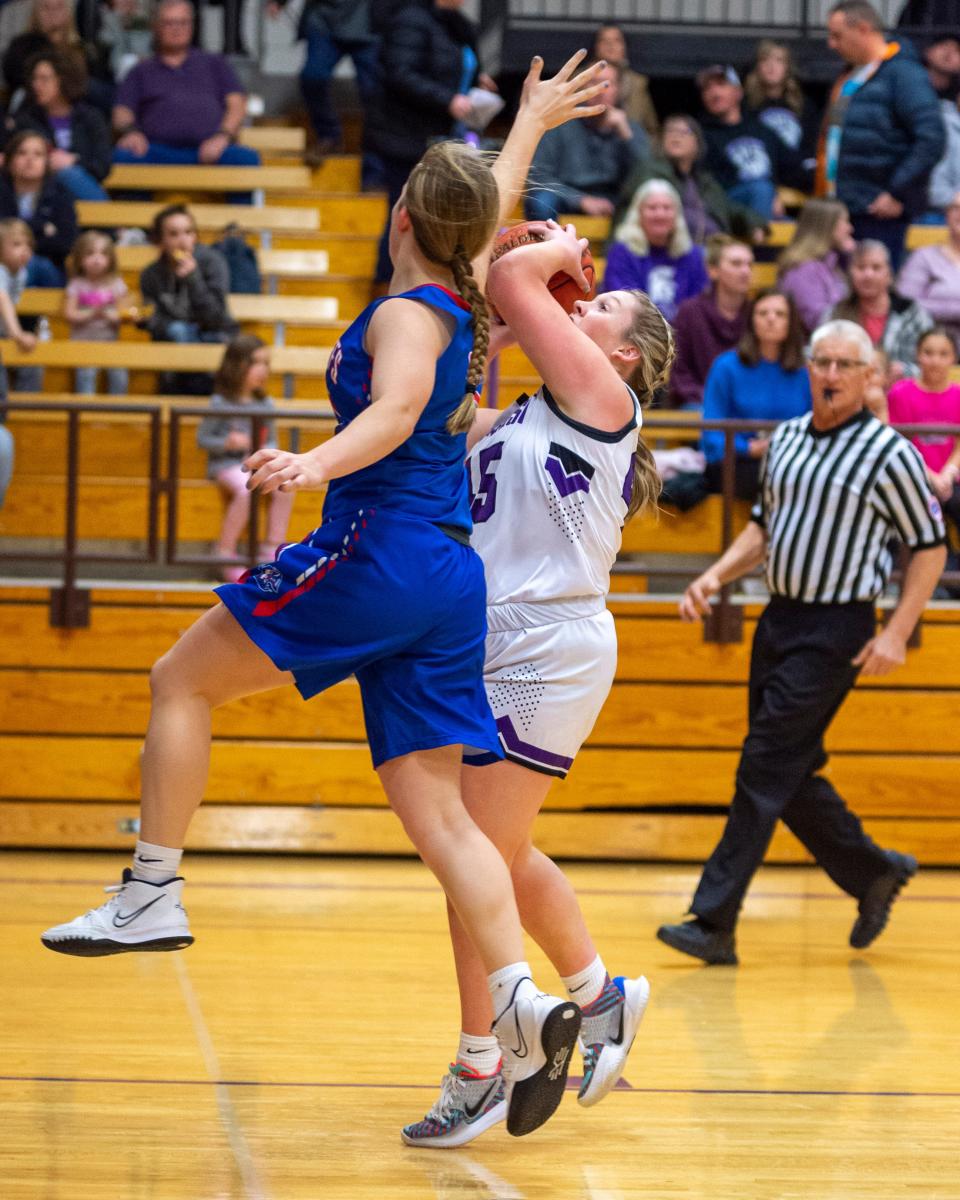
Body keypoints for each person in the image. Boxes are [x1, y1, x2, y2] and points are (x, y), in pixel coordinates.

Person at [40, 51, 609, 1142]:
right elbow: (484, 209)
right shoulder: (466, 291)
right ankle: (519, 1000)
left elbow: (393, 414)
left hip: (376, 547)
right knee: (441, 815)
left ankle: (151, 889)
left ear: (400, 212)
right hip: (449, 579)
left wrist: (312, 464)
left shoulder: (409, 316)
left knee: (178, 681)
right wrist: (529, 121)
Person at [401, 220, 671, 1148]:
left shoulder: (604, 396)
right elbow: (445, 398)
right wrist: (508, 321)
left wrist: (558, 246)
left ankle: (482, 1061)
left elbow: (511, 275)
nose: (578, 304)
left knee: (465, 861)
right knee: (494, 859)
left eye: (595, 307)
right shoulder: (522, 410)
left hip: (550, 646)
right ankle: (600, 998)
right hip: (485, 636)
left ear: (623, 352)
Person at [657, 317, 946, 965]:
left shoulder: (890, 454)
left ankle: (714, 919)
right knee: (789, 769)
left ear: (872, 377)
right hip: (779, 619)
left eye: (847, 365)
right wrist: (713, 575)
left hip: (837, 628)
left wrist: (897, 632)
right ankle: (872, 870)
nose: (833, 375)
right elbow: (763, 529)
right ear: (809, 369)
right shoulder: (784, 440)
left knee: (763, 762)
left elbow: (929, 548)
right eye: (823, 363)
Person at [366, 0, 498, 285]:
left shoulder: (457, 23)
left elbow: (457, 66)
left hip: (445, 135)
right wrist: (447, 99)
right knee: (405, 213)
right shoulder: (410, 18)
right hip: (407, 137)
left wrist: (477, 80)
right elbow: (400, 73)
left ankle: (432, 286)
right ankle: (387, 289)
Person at [819, 0, 944, 268]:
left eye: (837, 35)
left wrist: (897, 191)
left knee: (873, 293)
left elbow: (932, 138)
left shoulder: (904, 74)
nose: (831, 43)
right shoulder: (851, 76)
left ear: (863, 29)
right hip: (842, 206)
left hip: (878, 209)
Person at [111, 0, 260, 169]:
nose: (177, 29)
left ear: (192, 26)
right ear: (156, 26)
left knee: (245, 159)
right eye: (169, 23)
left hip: (211, 149)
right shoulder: (140, 71)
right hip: (156, 151)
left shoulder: (216, 64)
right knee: (124, 156)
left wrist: (223, 136)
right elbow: (122, 111)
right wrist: (132, 133)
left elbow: (237, 105)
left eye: (183, 22)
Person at [197, 335, 294, 582]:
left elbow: (272, 440)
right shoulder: (220, 403)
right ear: (236, 365)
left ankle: (272, 548)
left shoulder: (266, 403)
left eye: (266, 363)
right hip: (227, 465)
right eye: (255, 363)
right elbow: (203, 438)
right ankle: (224, 551)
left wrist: (263, 452)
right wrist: (226, 443)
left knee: (286, 486)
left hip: (255, 464)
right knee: (245, 489)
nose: (263, 370)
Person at [701, 289, 812, 498]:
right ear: (752, 321)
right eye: (762, 313)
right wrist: (749, 448)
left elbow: (815, 425)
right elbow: (711, 434)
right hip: (739, 462)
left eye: (780, 314)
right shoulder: (726, 367)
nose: (771, 319)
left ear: (792, 323)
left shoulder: (806, 372)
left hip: (793, 460)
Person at [266, 0, 382, 179]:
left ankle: (374, 168)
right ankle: (329, 137)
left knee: (374, 95)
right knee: (312, 77)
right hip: (324, 18)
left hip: (370, 22)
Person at [524, 60, 649, 224]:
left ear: (618, 90)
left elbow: (647, 177)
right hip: (566, 196)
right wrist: (580, 200)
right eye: (594, 82)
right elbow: (538, 174)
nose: (600, 90)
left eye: (607, 84)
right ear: (582, 87)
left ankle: (620, 251)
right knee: (540, 201)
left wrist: (626, 135)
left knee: (651, 201)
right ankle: (548, 249)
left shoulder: (629, 128)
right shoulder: (560, 123)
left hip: (613, 201)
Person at [615, 114, 766, 246]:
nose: (675, 136)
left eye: (684, 131)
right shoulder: (649, 172)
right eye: (670, 131)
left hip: (714, 251)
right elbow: (627, 212)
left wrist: (754, 223)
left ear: (698, 143)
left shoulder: (704, 181)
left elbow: (727, 209)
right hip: (673, 252)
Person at [697, 64, 810, 222]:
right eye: (707, 89)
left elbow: (792, 167)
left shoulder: (761, 130)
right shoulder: (701, 136)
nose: (714, 93)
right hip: (729, 212)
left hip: (768, 209)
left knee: (806, 236)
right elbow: (711, 184)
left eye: (721, 85)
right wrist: (767, 193)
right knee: (760, 189)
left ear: (738, 91)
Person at [10, 48, 112, 201]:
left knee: (68, 173)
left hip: (81, 188)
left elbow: (103, 165)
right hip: (41, 190)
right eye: (34, 79)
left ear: (63, 80)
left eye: (44, 79)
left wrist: (74, 161)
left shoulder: (91, 117)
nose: (36, 85)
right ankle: (112, 222)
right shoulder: (27, 119)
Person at [825, 239, 934, 380]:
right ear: (850, 274)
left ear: (889, 275)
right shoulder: (835, 314)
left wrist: (906, 371)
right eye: (860, 267)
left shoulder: (912, 313)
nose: (868, 275)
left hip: (900, 394)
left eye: (876, 268)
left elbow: (934, 363)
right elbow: (816, 356)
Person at [887, 326, 960, 536]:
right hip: (913, 477)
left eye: (943, 354)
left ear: (953, 358)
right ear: (917, 355)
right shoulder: (900, 393)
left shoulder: (958, 394)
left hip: (952, 479)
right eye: (928, 353)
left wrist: (947, 474)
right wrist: (930, 477)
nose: (935, 360)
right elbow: (900, 444)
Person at [602, 179, 708, 322]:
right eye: (652, 208)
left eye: (667, 208)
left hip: (683, 337)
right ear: (638, 213)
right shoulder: (621, 254)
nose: (660, 215)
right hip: (636, 334)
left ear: (677, 215)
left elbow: (698, 307)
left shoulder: (693, 256)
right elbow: (623, 306)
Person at [669, 233, 753, 410]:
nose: (745, 271)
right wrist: (712, 399)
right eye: (736, 264)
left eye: (749, 264)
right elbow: (680, 372)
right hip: (699, 401)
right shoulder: (689, 312)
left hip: (749, 403)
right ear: (713, 270)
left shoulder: (757, 312)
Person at [1, 0, 110, 117]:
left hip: (77, 109)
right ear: (36, 13)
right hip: (33, 107)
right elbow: (14, 77)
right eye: (46, 8)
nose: (52, 13)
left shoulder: (83, 49)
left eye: (58, 7)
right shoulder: (23, 45)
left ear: (68, 12)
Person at [0, 129, 77, 285]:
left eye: (38, 154)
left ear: (46, 162)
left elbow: (65, 243)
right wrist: (41, 227)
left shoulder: (60, 195)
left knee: (33, 264)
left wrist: (17, 245)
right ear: (10, 160)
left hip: (48, 268)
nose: (30, 160)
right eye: (22, 153)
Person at [63, 229, 129, 395]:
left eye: (103, 254)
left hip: (110, 342)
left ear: (111, 259)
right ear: (80, 258)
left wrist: (107, 314)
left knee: (120, 374)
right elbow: (70, 314)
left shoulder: (116, 284)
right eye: (90, 253)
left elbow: (123, 314)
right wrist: (92, 313)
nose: (97, 259)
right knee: (86, 374)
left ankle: (119, 410)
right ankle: (85, 410)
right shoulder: (76, 284)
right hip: (82, 343)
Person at [778, 197, 856, 332]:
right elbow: (816, 322)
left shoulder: (830, 263)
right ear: (827, 225)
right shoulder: (802, 269)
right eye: (845, 221)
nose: (850, 228)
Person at [743, 39, 819, 165]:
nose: (771, 66)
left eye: (779, 60)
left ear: (787, 67)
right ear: (757, 67)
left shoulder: (804, 105)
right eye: (765, 60)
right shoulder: (746, 105)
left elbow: (811, 146)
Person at [899, 191, 960, 347]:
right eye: (956, 208)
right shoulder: (924, 257)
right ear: (946, 214)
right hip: (929, 344)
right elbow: (906, 303)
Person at [590, 23, 658, 142]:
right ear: (596, 46)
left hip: (627, 143)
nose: (610, 45)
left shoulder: (638, 84)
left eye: (616, 40)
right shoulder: (581, 78)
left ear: (624, 47)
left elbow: (650, 128)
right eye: (604, 41)